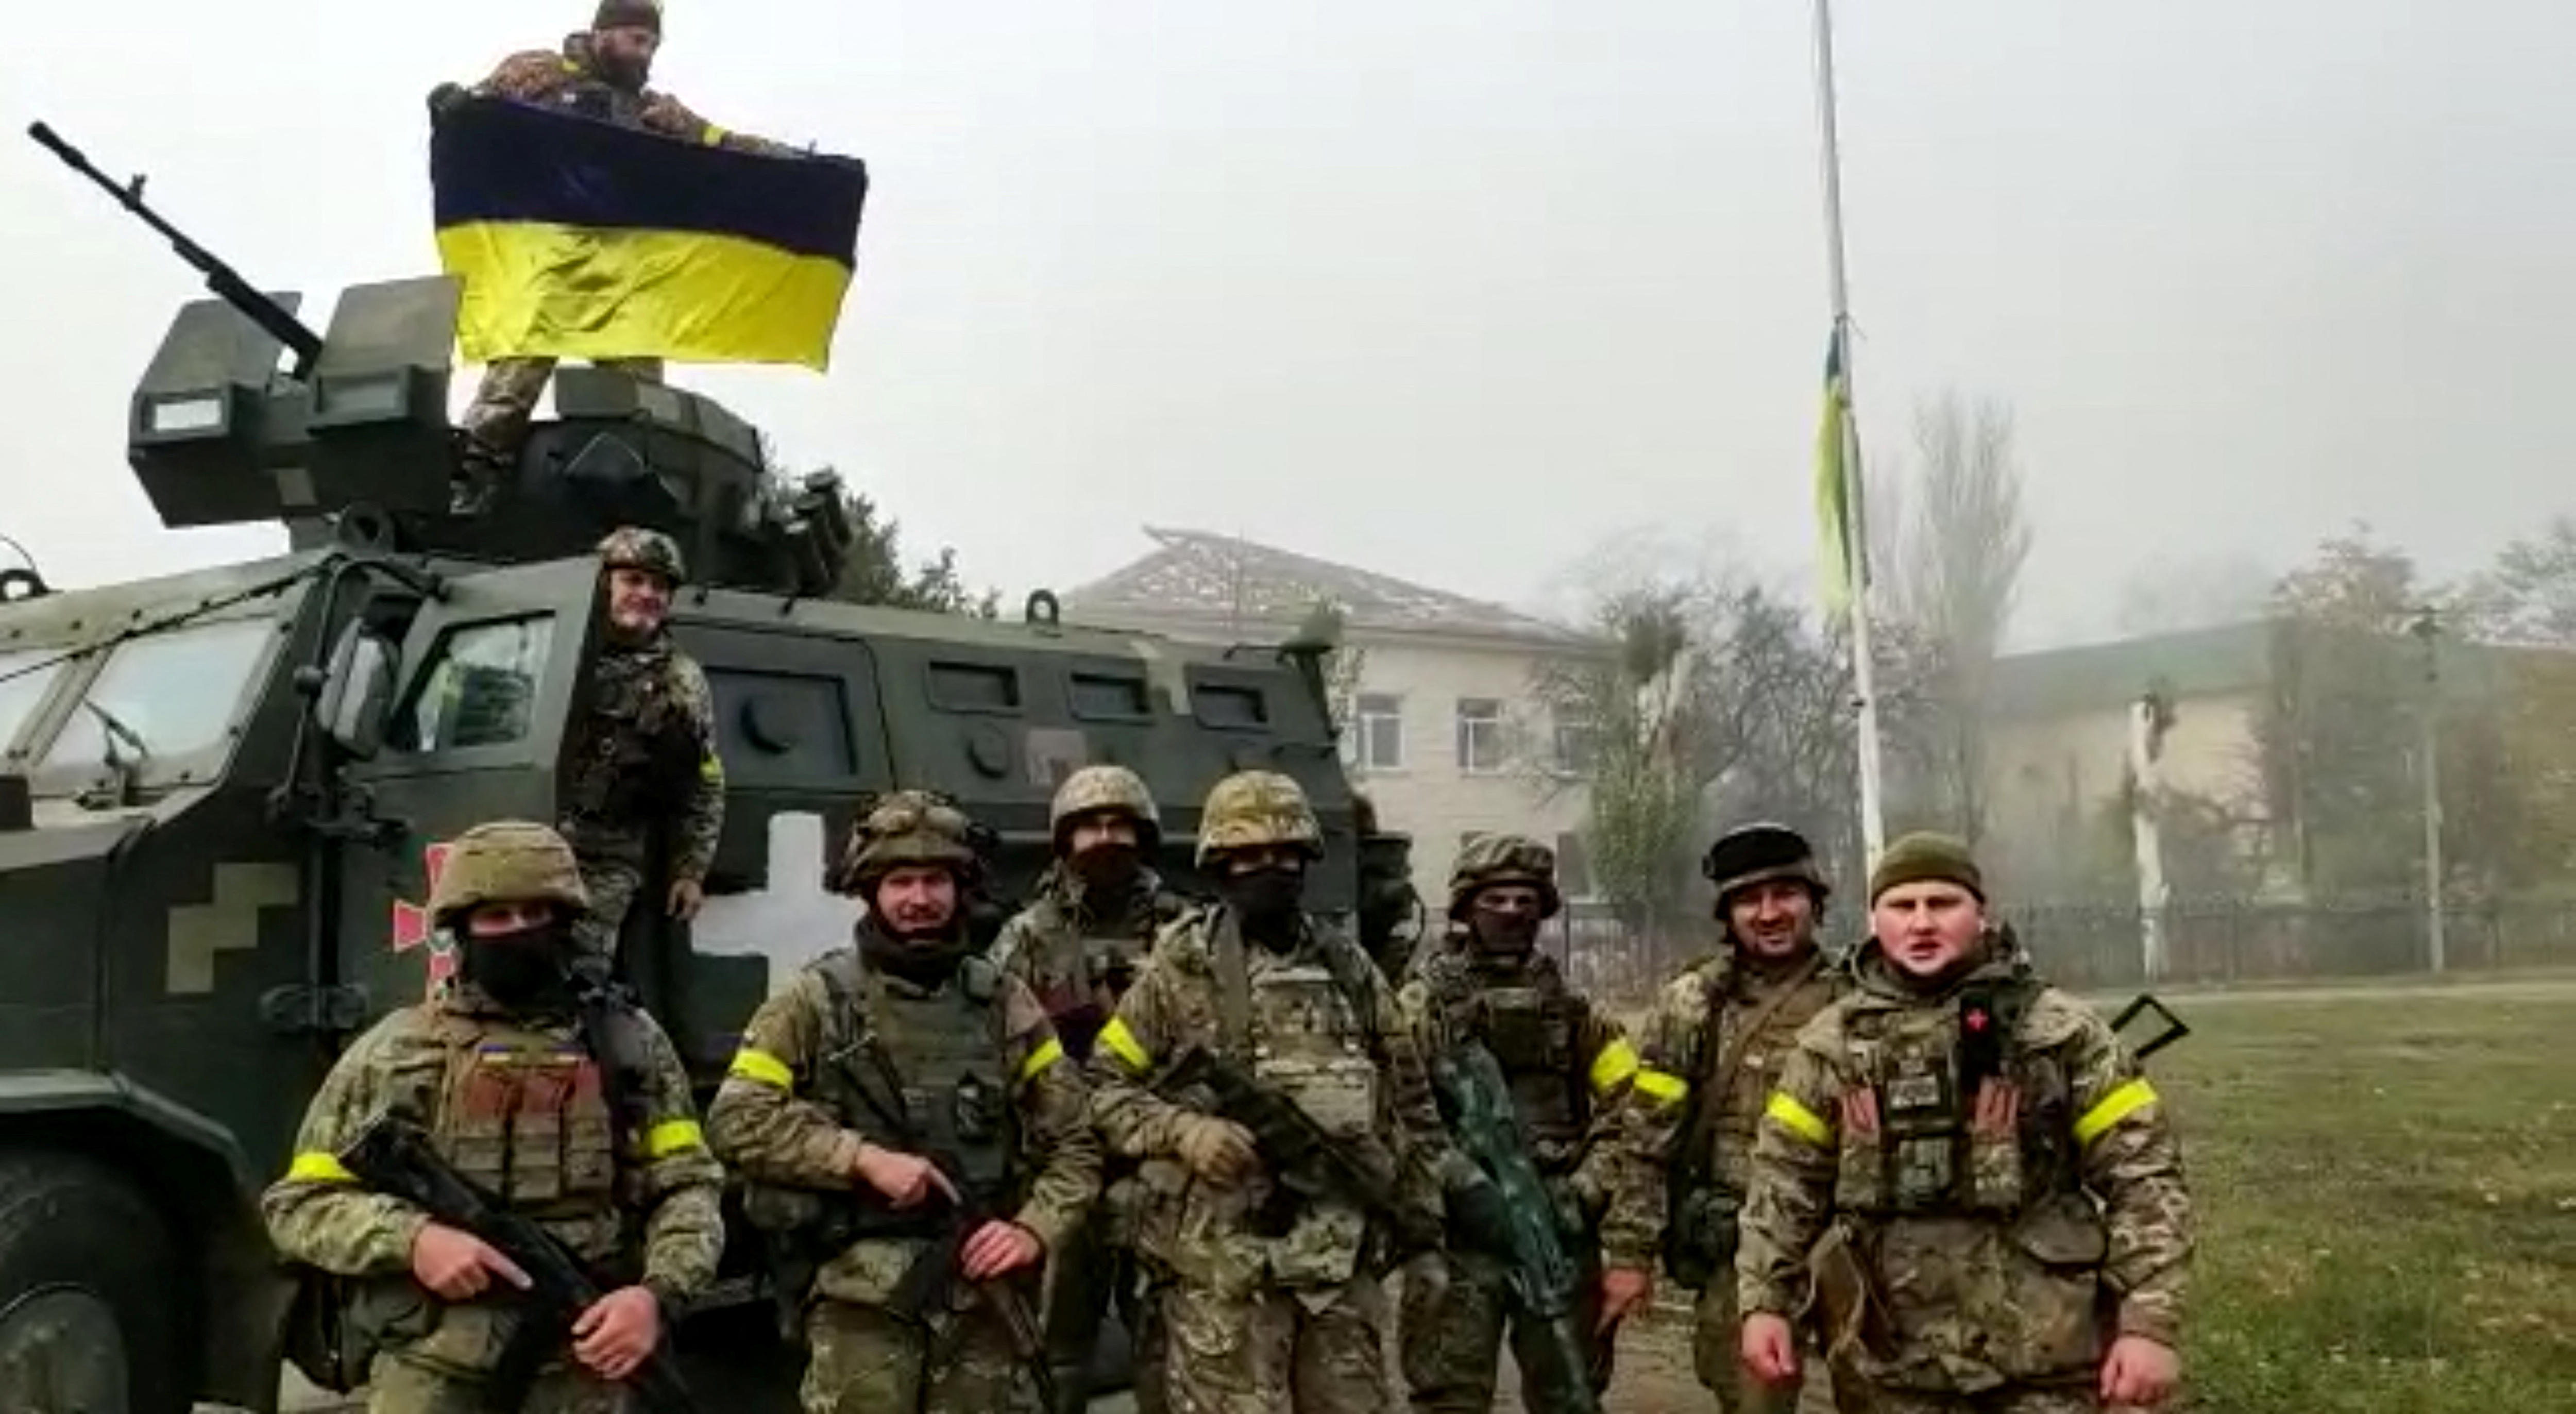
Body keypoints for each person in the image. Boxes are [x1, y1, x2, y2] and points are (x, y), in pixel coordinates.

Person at [261, 820, 725, 1413]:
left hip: (587, 1360)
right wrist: (416, 1240)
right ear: (462, 931)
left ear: (564, 922)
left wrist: (656, 1297)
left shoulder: (628, 1042)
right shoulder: (396, 1051)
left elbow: (689, 1185)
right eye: (496, 917)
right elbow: (297, 1204)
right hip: (434, 1367)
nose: (518, 932)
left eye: (535, 913)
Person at [1737, 833, 2194, 1413]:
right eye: (1902, 906)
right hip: (1889, 1369)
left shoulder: (2058, 1032)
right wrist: (1764, 1304)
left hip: (2042, 1366)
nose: (1921, 922)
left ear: (1980, 913)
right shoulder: (1831, 1045)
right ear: (1874, 919)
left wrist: (2147, 1323)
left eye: (1942, 903)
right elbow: (1781, 1186)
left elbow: (2146, 1179)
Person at [707, 789, 1101, 1413]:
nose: (919, 899)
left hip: (982, 1295)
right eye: (900, 881)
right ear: (871, 891)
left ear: (959, 887)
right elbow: (734, 1118)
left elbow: (1077, 1140)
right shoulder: (814, 1001)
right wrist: (859, 1158)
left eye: (935, 879)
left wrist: (1034, 1228)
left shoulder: (1004, 1001)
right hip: (858, 1304)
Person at [1087, 770, 1454, 1414]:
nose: (1271, 867)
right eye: (1250, 854)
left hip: (1336, 1274)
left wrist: (1423, 1229)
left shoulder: (1350, 967)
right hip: (1223, 1276)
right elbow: (1101, 1086)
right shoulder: (1180, 966)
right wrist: (1184, 1131)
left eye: (1285, 853)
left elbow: (1413, 1106)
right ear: (1220, 863)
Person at [444, 0, 798, 508]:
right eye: (637, 40)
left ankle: (632, 474)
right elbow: (478, 114)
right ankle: (477, 466)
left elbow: (721, 144)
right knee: (520, 364)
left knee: (639, 388)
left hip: (619, 271)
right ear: (603, 34)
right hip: (551, 254)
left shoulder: (653, 112)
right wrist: (454, 108)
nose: (645, 54)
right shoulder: (540, 75)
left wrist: (793, 164)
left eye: (652, 45)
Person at [1393, 833, 1658, 1413]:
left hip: (1555, 1229)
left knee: (1570, 1389)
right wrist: (1458, 1179)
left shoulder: (1573, 1009)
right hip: (1460, 1237)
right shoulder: (1419, 1008)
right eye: (1496, 899)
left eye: (1525, 899)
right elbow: (1393, 1113)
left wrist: (1585, 1189)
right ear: (1465, 908)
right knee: (1448, 1397)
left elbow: (1633, 1109)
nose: (1512, 911)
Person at [1625, 822, 1848, 1412]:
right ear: (1727, 914)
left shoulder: (1860, 1000)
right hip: (1741, 1249)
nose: (1769, 912)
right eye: (1749, 899)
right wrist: (1628, 1255)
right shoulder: (1695, 1002)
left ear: (1815, 902)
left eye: (1785, 894)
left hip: (1850, 1244)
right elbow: (1647, 1140)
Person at [990, 765, 1190, 1413]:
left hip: (1160, 1158)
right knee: (1058, 1337)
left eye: (1119, 825)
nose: (1105, 838)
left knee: (1169, 1330)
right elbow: (994, 1034)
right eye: (1090, 826)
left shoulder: (1185, 932)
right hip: (1066, 1158)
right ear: (1065, 840)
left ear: (1143, 836)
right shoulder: (1028, 933)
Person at [560, 526, 724, 983]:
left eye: (659, 586)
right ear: (602, 583)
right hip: (528, 839)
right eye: (633, 580)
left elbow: (706, 779)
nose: (647, 594)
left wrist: (691, 870)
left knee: (577, 981)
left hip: (606, 860)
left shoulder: (681, 680)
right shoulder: (558, 648)